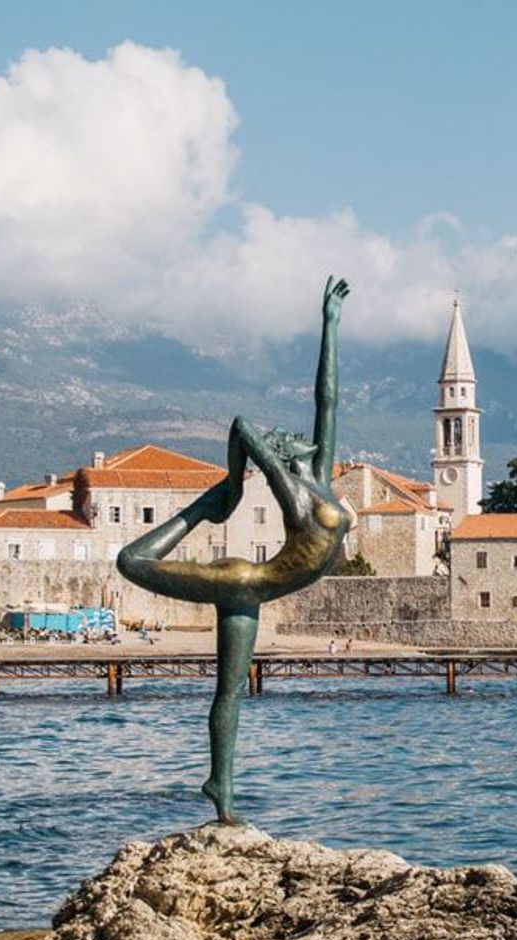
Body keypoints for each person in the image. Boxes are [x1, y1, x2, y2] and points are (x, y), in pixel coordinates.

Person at [117, 275, 352, 824]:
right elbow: (244, 425)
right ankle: (203, 507)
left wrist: (330, 325)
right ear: (281, 452)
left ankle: (220, 787)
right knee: (131, 563)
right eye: (288, 436)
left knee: (232, 692)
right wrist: (236, 483)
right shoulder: (291, 487)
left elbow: (329, 400)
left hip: (257, 589)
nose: (303, 434)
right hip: (241, 581)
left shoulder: (319, 476)